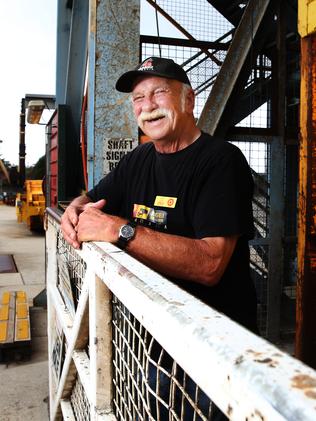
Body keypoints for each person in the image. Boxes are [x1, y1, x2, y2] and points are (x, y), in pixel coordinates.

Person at [61, 56, 258, 420]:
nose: (147, 106)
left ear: (188, 100)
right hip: (148, 341)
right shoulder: (139, 159)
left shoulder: (221, 162)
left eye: (159, 93)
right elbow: (91, 198)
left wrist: (118, 231)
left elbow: (210, 263)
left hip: (210, 351)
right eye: (138, 98)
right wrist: (74, 208)